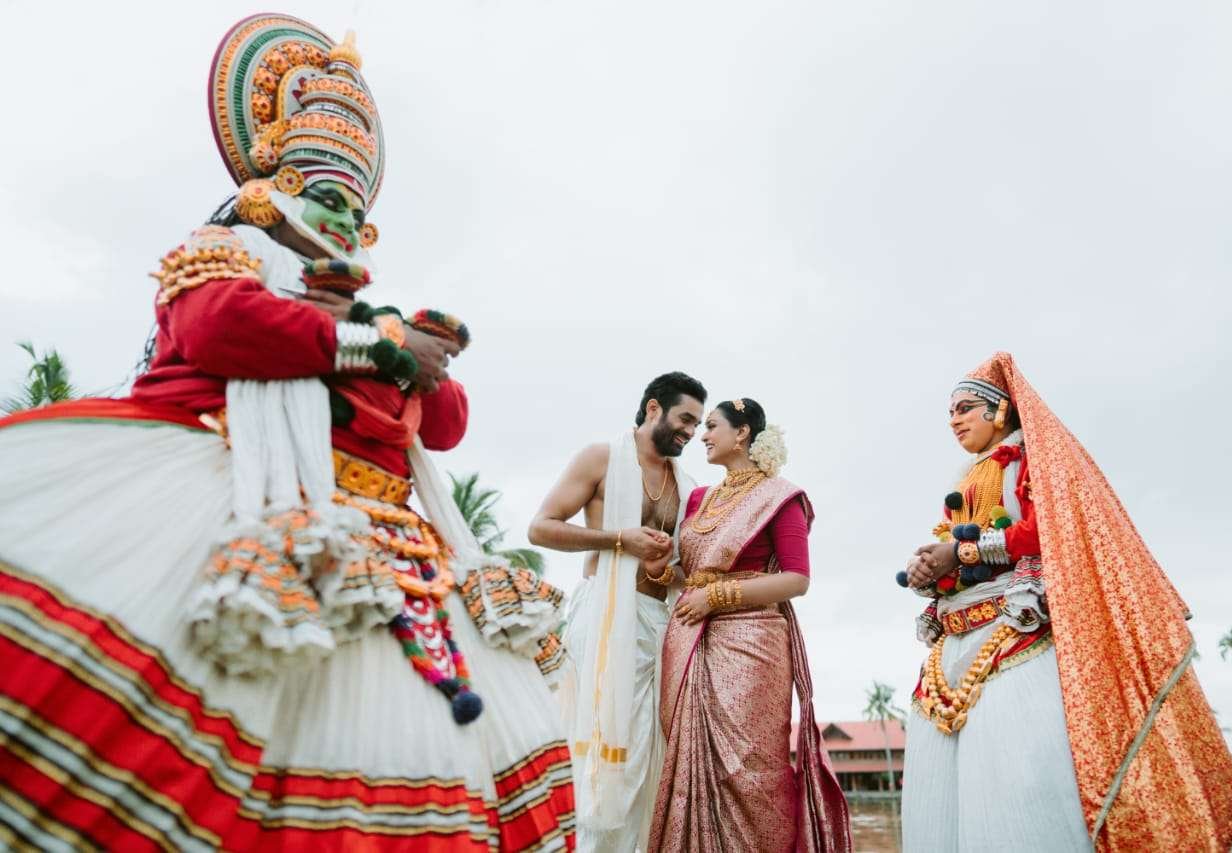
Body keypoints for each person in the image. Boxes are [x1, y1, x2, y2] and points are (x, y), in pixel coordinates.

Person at [0, 14, 573, 850]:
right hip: (235, 492)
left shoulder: (370, 312)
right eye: (327, 198)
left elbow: (445, 425)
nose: (343, 222)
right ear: (272, 186)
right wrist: (377, 345)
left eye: (356, 212)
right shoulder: (229, 249)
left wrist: (406, 352)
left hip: (385, 550)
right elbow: (219, 327)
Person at [899, 352, 1232, 852]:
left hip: (1018, 629)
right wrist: (931, 569)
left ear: (1001, 410)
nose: (954, 419)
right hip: (955, 637)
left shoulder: (1031, 463)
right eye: (950, 412)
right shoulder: (966, 479)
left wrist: (963, 551)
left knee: (1017, 783)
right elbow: (955, 545)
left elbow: (1047, 529)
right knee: (939, 799)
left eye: (965, 408)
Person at [645, 398, 850, 853]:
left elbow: (796, 580)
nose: (702, 436)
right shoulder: (700, 498)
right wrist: (663, 571)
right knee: (694, 765)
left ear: (742, 433)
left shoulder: (780, 497)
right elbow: (693, 574)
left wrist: (716, 598)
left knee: (750, 770)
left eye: (712, 426)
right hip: (692, 639)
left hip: (753, 643)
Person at [527, 371, 705, 852]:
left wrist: (665, 571)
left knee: (646, 757)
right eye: (685, 419)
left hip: (657, 626)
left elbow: (683, 573)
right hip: (603, 621)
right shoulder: (601, 458)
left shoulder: (687, 486)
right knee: (601, 757)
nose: (691, 431)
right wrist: (619, 539)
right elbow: (540, 528)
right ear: (654, 408)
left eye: (698, 423)